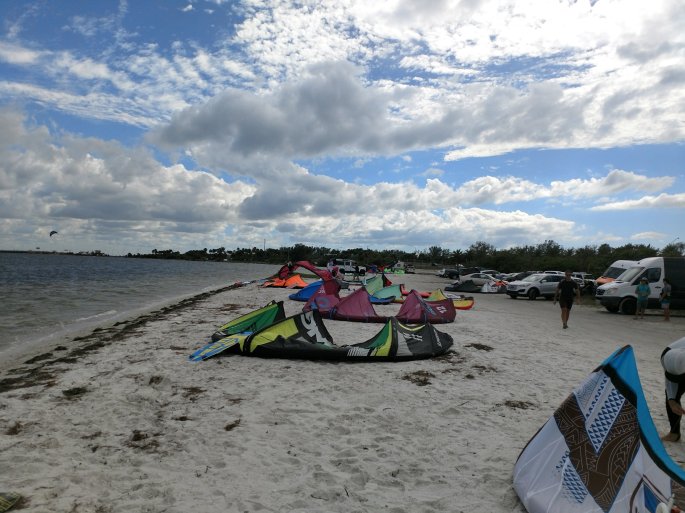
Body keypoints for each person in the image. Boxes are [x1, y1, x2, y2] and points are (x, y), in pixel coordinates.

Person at [660, 337, 685, 442]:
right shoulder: (665, 357)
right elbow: (669, 379)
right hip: (678, 364)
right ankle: (674, 433)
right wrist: (671, 400)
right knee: (672, 397)